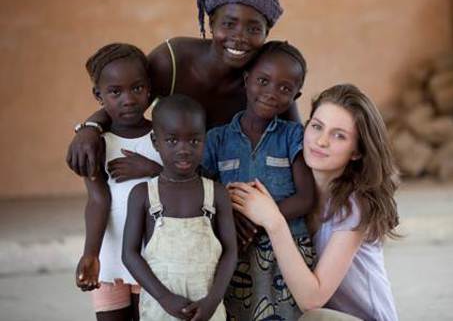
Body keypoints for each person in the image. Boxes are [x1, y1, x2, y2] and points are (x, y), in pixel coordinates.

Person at [66, 0, 297, 181]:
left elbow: (298, 140)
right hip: (179, 185)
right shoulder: (174, 60)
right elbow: (128, 99)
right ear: (211, 24)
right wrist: (90, 128)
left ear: (266, 35)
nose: (239, 37)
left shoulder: (266, 74)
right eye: (228, 24)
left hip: (234, 184)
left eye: (254, 29)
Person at [229, 84, 400, 321]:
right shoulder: (292, 186)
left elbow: (312, 298)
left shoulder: (356, 205)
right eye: (317, 127)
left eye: (339, 135)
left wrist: (273, 221)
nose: (321, 141)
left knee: (314, 318)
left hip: (355, 318)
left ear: (357, 152)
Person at [202, 41, 315, 320]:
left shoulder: (293, 136)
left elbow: (306, 198)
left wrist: (259, 219)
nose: (271, 93)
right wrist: (228, 216)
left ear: (296, 95)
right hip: (235, 249)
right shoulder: (217, 139)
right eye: (263, 81)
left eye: (285, 88)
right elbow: (201, 189)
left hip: (286, 251)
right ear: (246, 79)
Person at [122, 94, 237, 321]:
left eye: (194, 141)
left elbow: (231, 252)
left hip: (207, 309)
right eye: (172, 140)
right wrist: (164, 298)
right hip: (159, 309)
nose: (184, 149)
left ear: (205, 140)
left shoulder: (216, 194)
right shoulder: (144, 195)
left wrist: (213, 301)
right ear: (155, 141)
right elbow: (130, 254)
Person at [75, 43, 162, 321]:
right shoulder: (97, 144)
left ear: (149, 88)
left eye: (137, 88)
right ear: (98, 96)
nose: (128, 99)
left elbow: (186, 183)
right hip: (110, 253)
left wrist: (152, 168)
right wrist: (91, 254)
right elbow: (98, 200)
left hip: (151, 256)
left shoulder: (163, 136)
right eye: (115, 92)